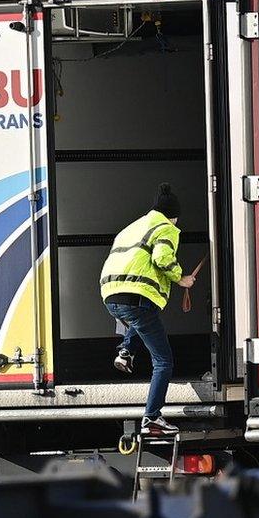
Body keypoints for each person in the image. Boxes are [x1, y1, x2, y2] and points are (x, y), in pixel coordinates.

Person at [99, 183, 195, 436]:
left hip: (111, 295)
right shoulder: (166, 228)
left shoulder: (132, 227)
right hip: (136, 296)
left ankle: (126, 351)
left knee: (140, 319)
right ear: (172, 214)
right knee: (163, 361)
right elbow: (162, 258)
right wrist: (181, 278)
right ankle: (152, 417)